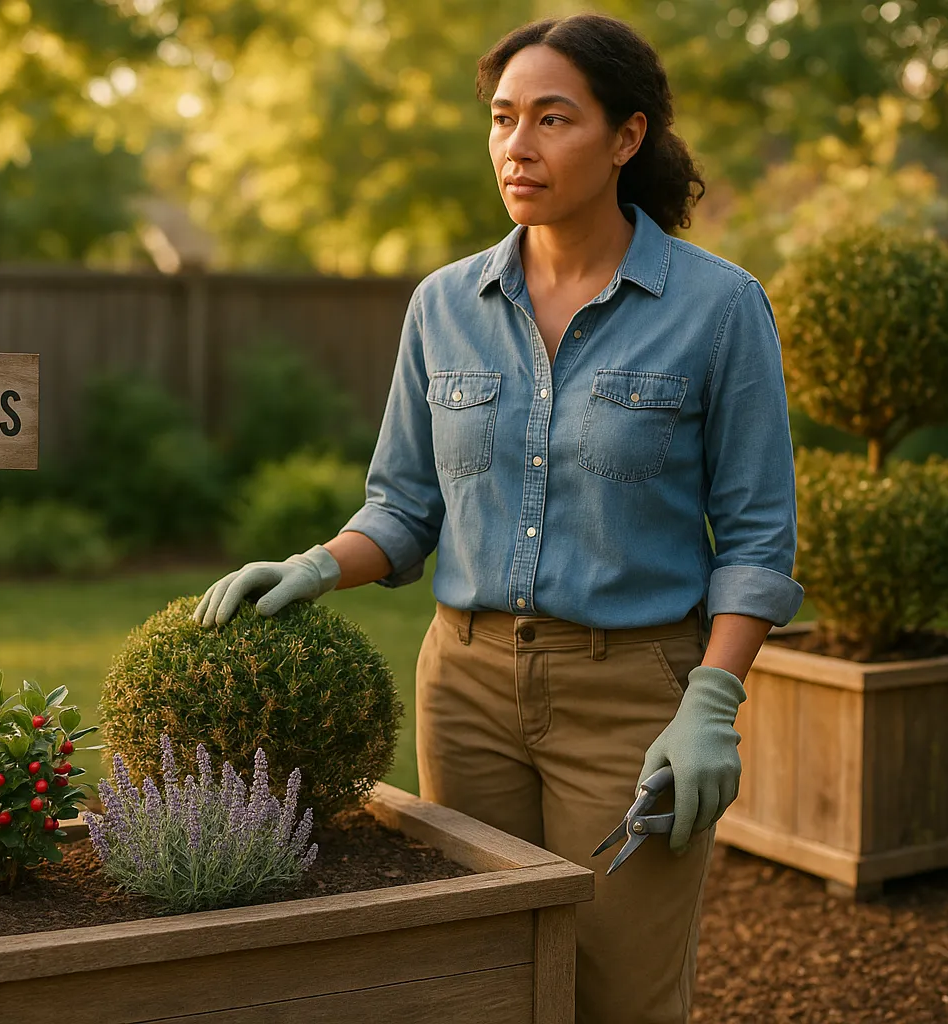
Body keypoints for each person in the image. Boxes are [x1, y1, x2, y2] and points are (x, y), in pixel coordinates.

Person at [193, 12, 802, 1024]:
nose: (517, 146)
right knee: (477, 983)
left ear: (626, 137)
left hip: (635, 704)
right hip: (467, 690)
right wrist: (312, 565)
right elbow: (403, 505)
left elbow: (755, 541)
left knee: (619, 991)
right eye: (503, 118)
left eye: (552, 119)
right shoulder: (444, 304)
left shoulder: (719, 307)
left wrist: (710, 705)